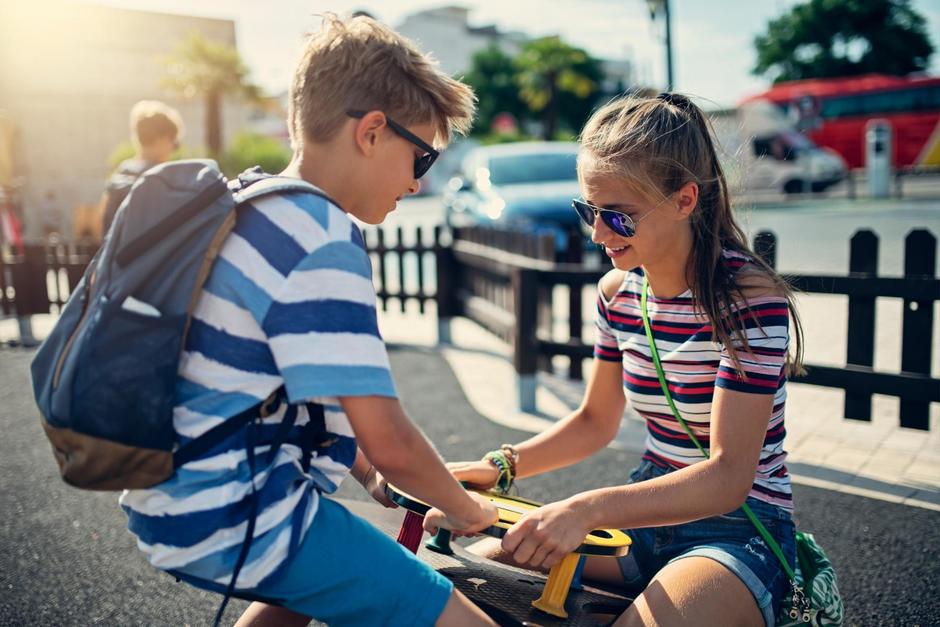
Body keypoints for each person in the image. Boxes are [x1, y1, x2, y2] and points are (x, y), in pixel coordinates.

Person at [118, 14, 498, 627]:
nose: (414, 181)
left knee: (295, 600)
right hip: (239, 511)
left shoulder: (251, 204)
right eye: (420, 157)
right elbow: (390, 437)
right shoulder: (321, 235)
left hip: (167, 494)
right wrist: (468, 513)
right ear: (373, 131)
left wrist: (370, 477)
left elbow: (296, 390)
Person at [433, 92, 805, 627]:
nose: (598, 234)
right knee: (479, 582)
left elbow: (728, 476)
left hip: (739, 530)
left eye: (620, 217)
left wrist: (586, 509)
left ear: (685, 199)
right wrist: (501, 467)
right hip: (642, 519)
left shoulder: (748, 300)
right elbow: (594, 421)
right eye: (590, 210)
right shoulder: (618, 293)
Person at [100, 100, 183, 234]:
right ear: (165, 139)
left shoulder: (117, 179)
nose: (173, 149)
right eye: (175, 143)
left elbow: (103, 232)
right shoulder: (168, 184)